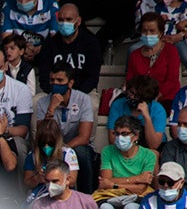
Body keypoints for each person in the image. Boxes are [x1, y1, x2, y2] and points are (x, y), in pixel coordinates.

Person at [96, 115, 158, 209]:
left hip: (135, 199)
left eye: (124, 134)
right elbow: (105, 182)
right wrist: (137, 179)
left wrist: (113, 184)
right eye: (117, 134)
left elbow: (141, 189)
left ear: (136, 136)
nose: (119, 138)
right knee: (105, 208)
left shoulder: (148, 155)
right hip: (110, 198)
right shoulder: (108, 151)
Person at [33, 62, 95, 193]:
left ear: (70, 83)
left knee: (82, 152)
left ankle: (86, 195)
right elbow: (41, 135)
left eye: (60, 80)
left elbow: (84, 137)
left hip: (75, 146)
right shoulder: (43, 102)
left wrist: (62, 149)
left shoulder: (83, 100)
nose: (55, 84)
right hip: (50, 145)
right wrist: (51, 110)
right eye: (52, 80)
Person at [33, 2, 102, 94]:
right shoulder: (50, 43)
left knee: (93, 104)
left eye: (69, 19)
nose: (64, 23)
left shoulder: (91, 43)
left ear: (78, 21)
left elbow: (92, 78)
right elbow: (44, 77)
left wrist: (73, 96)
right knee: (36, 102)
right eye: (61, 20)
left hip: (83, 93)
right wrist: (56, 93)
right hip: (54, 93)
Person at [126, 12, 181, 108]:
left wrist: (154, 97)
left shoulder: (171, 51)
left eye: (152, 31)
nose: (148, 34)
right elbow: (130, 80)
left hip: (165, 98)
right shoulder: (135, 55)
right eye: (144, 31)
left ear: (160, 33)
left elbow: (172, 80)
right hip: (140, 98)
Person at [107, 75, 167, 151]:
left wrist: (147, 117)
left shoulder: (158, 109)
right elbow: (112, 140)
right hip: (124, 146)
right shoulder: (118, 104)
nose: (129, 95)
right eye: (129, 91)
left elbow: (153, 145)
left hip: (150, 148)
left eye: (134, 94)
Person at [23, 118, 79, 192]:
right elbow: (27, 183)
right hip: (41, 193)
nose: (46, 147)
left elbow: (72, 181)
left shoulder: (68, 153)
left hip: (62, 192)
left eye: (50, 143)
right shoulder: (32, 155)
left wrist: (54, 179)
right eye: (43, 143)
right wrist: (37, 179)